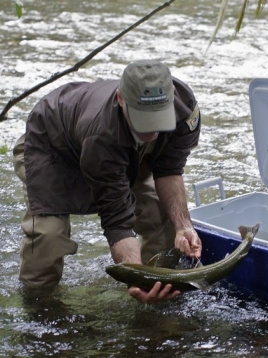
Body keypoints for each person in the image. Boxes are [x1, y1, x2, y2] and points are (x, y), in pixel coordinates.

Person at [13, 59, 203, 304]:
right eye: (144, 120)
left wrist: (183, 226)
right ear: (121, 99)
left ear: (172, 97)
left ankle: (162, 292)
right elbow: (117, 222)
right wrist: (134, 277)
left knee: (159, 215)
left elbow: (169, 170)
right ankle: (39, 308)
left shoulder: (185, 110)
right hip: (52, 146)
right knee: (49, 236)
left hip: (120, 149)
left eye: (158, 120)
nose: (152, 131)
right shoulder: (101, 134)